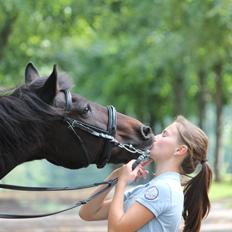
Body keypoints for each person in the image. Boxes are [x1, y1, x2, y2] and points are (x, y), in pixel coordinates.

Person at [79, 115, 212, 232]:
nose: (156, 136)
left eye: (164, 134)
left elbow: (115, 229)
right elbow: (88, 213)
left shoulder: (164, 189)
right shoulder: (150, 188)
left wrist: (122, 183)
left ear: (180, 150)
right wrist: (116, 175)